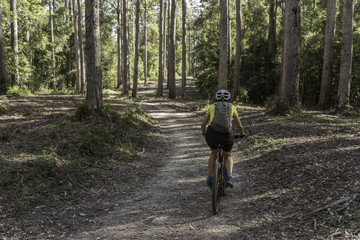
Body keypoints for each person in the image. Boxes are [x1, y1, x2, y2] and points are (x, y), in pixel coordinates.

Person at [201, 89, 245, 188]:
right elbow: (239, 124)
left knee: (213, 153)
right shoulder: (232, 107)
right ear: (228, 98)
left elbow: (203, 123)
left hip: (212, 133)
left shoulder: (212, 107)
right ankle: (229, 177)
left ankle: (209, 178)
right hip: (226, 134)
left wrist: (204, 132)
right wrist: (242, 133)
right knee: (228, 155)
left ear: (216, 98)